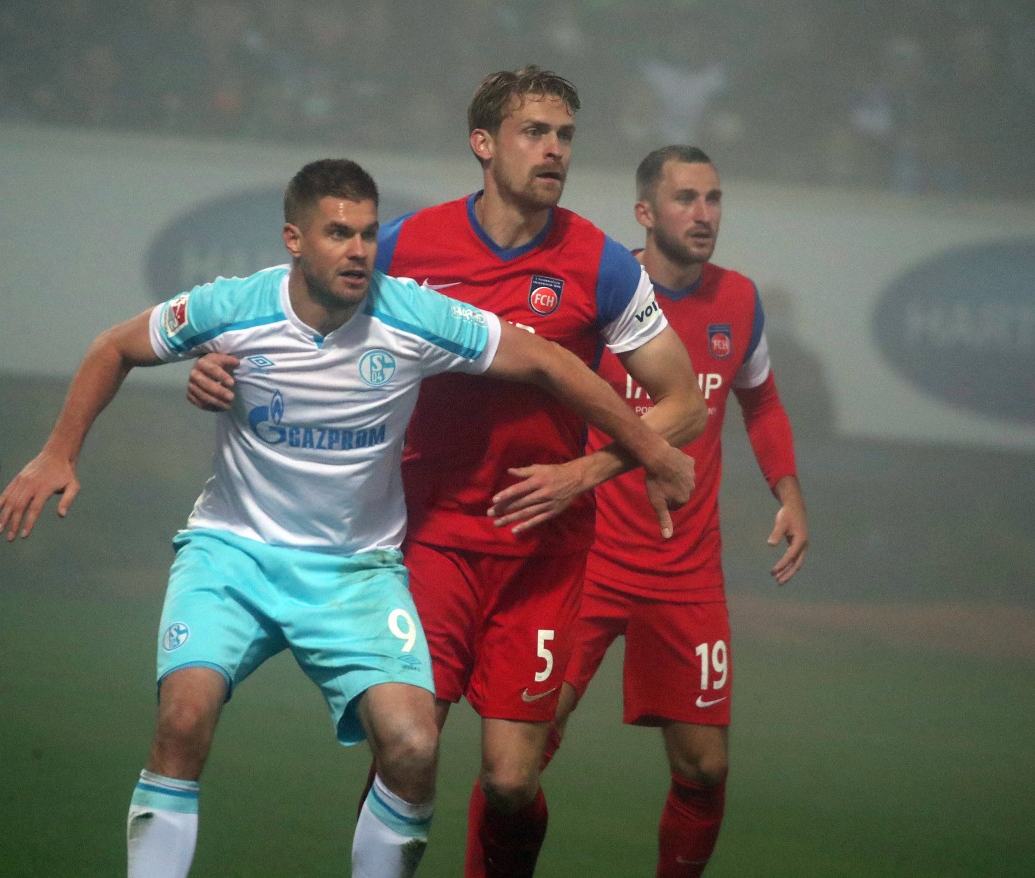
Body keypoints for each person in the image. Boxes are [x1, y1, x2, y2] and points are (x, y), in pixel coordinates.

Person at [0, 157, 696, 878]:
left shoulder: (412, 313)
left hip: (356, 573)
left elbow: (549, 362)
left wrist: (649, 452)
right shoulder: (232, 308)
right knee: (182, 718)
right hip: (233, 555)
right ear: (294, 240)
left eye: (365, 233)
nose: (357, 250)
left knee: (416, 748)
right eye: (337, 234)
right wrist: (57, 454)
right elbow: (115, 346)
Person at [186, 68, 708, 877]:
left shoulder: (601, 264)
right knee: (405, 743)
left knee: (508, 780)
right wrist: (222, 370)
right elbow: (296, 322)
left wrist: (584, 474)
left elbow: (682, 405)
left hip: (544, 551)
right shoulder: (404, 247)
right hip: (424, 539)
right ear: (484, 144)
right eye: (535, 132)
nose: (554, 150)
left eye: (565, 136)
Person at [501, 145, 811, 876]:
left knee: (704, 770)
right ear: (645, 213)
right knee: (520, 758)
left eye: (713, 199)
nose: (704, 215)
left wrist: (789, 492)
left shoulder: (739, 298)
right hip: (587, 558)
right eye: (685, 199)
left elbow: (760, 399)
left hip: (685, 572)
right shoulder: (603, 290)